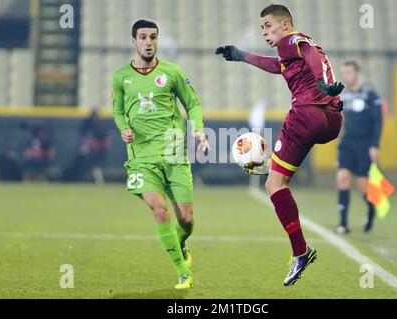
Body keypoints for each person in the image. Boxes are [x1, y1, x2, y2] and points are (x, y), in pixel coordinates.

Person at [216, 4, 344, 286]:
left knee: (274, 185)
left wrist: (321, 82)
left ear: (285, 24)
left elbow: (304, 54)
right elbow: (279, 65)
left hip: (306, 114)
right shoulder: (300, 45)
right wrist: (241, 56)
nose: (264, 31)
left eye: (268, 25)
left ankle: (301, 252)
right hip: (332, 120)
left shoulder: (291, 40)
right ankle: (269, 164)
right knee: (277, 180)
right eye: (262, 27)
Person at [111, 19, 208, 289]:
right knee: (158, 208)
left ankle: (182, 244)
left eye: (153, 37)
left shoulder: (172, 72)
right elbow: (118, 111)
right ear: (134, 41)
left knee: (186, 220)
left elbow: (193, 103)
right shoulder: (120, 77)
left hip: (175, 153)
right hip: (141, 157)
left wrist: (198, 130)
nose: (148, 42)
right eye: (143, 37)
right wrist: (124, 128)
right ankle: (183, 273)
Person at [334, 61, 383, 234]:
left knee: (363, 186)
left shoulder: (369, 94)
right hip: (347, 143)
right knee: (343, 178)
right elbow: (342, 117)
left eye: (349, 72)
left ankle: (371, 210)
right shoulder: (344, 94)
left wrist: (375, 146)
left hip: (365, 145)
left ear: (357, 73)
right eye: (343, 73)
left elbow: (378, 121)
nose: (346, 76)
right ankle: (343, 224)